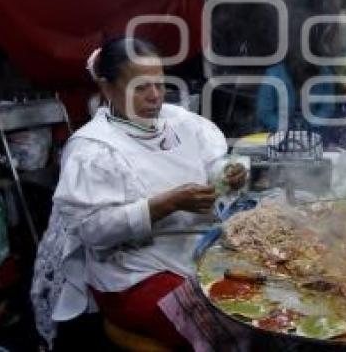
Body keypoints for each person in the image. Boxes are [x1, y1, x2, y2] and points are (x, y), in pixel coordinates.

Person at [31, 38, 247, 348]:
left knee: (265, 295)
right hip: (131, 274)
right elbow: (92, 230)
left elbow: (215, 165)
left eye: (160, 84)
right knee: (223, 323)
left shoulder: (181, 123)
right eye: (141, 87)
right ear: (106, 88)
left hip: (194, 252)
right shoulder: (93, 148)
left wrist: (229, 174)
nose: (155, 96)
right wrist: (167, 204)